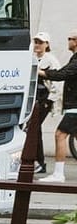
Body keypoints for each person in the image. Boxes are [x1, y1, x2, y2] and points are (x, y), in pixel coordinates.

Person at [45, 33, 77, 181]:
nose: (68, 41)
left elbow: (62, 74)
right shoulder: (74, 58)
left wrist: (42, 73)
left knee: (60, 135)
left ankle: (58, 173)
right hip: (73, 105)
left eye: (71, 38)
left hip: (75, 106)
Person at [30, 33, 55, 175]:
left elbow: (57, 82)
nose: (38, 45)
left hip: (44, 99)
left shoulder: (51, 60)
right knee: (35, 129)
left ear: (47, 44)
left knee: (34, 129)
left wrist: (50, 101)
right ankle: (38, 161)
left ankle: (38, 161)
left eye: (41, 42)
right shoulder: (32, 58)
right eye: (36, 42)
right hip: (33, 99)